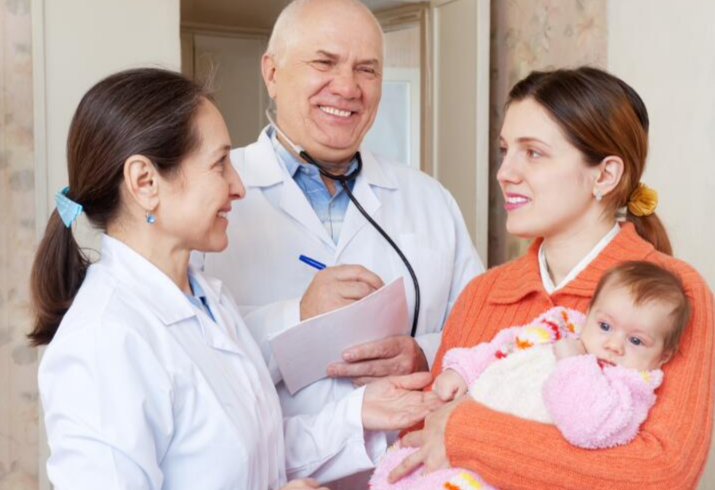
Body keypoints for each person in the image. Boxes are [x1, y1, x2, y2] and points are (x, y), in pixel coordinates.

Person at [29, 68, 443, 490]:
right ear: (145, 182)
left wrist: (357, 414)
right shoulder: (104, 339)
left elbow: (254, 452)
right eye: (220, 164)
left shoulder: (208, 300)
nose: (239, 186)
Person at [387, 66, 715, 490]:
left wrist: (466, 432)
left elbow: (658, 475)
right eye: (505, 150)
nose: (505, 172)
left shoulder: (678, 293)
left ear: (605, 175)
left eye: (533, 152)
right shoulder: (483, 294)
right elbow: (420, 446)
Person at [200, 0, 483, 486]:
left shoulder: (429, 199)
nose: (348, 87)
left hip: (412, 475)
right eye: (324, 62)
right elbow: (190, 366)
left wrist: (424, 354)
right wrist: (299, 317)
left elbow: (484, 335)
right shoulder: (209, 197)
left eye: (366, 69)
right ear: (272, 72)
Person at [371, 260, 691, 490]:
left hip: (497, 469)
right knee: (399, 470)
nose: (614, 345)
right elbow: (505, 346)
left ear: (663, 355)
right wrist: (462, 371)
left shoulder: (625, 390)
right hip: (461, 426)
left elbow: (586, 427)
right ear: (590, 313)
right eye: (605, 325)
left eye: (636, 341)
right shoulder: (561, 327)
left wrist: (574, 364)